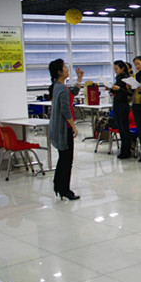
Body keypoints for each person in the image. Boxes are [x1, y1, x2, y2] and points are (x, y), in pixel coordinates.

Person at [48, 59, 83, 200]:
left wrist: (79, 78)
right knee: (67, 160)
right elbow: (65, 110)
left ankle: (58, 186)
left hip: (58, 128)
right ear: (59, 72)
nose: (67, 69)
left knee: (63, 158)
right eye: (64, 67)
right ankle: (64, 190)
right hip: (64, 128)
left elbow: (73, 92)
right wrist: (74, 126)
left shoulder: (58, 86)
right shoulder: (61, 88)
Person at [108, 60, 133, 159]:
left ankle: (126, 150)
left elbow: (129, 92)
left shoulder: (126, 78)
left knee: (124, 128)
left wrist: (119, 89)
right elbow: (116, 90)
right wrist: (111, 88)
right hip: (117, 103)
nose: (115, 71)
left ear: (122, 68)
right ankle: (124, 149)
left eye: (117, 68)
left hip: (123, 104)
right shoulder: (118, 77)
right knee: (120, 128)